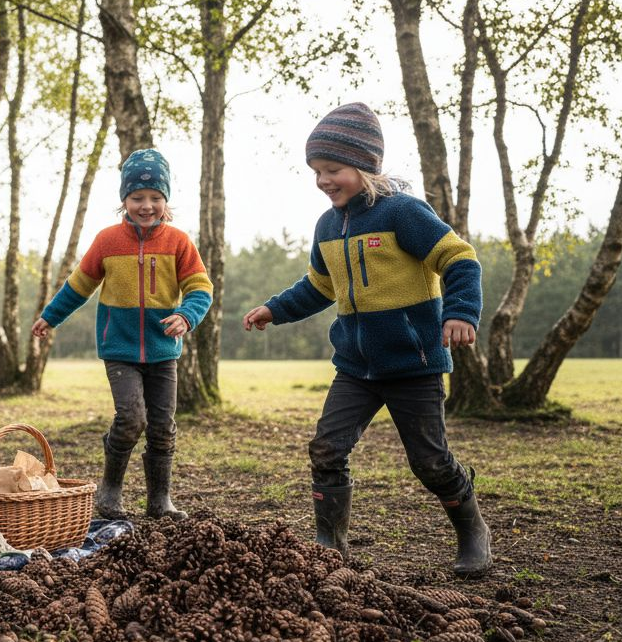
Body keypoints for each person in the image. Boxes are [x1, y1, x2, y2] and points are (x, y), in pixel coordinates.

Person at [241, 102, 490, 577]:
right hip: (356, 367)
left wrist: (459, 312)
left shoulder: (402, 212)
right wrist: (276, 308)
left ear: (365, 165)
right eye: (316, 171)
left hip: (414, 364)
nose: (323, 180)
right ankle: (330, 544)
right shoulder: (327, 226)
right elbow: (320, 286)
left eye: (332, 169)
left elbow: (460, 259)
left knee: (431, 463)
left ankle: (473, 531)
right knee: (327, 448)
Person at [31, 149, 213, 521]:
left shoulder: (178, 242)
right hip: (120, 348)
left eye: (155, 198)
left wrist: (186, 315)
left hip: (163, 351)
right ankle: (110, 491)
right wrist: (51, 317)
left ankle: (159, 500)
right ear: (124, 200)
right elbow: (78, 286)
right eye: (137, 198)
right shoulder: (108, 241)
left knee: (163, 426)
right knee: (131, 418)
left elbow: (200, 288)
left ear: (166, 200)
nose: (146, 206)